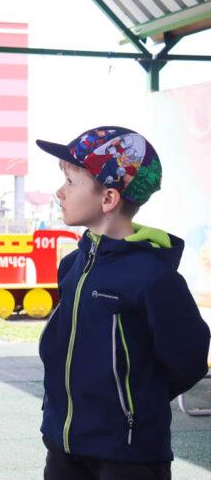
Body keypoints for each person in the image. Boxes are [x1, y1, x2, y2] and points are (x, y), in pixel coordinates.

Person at [36, 126, 210, 480]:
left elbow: (189, 359)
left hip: (129, 456)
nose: (59, 192)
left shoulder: (153, 277)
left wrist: (135, 403)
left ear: (108, 199)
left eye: (70, 182)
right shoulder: (72, 265)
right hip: (64, 447)